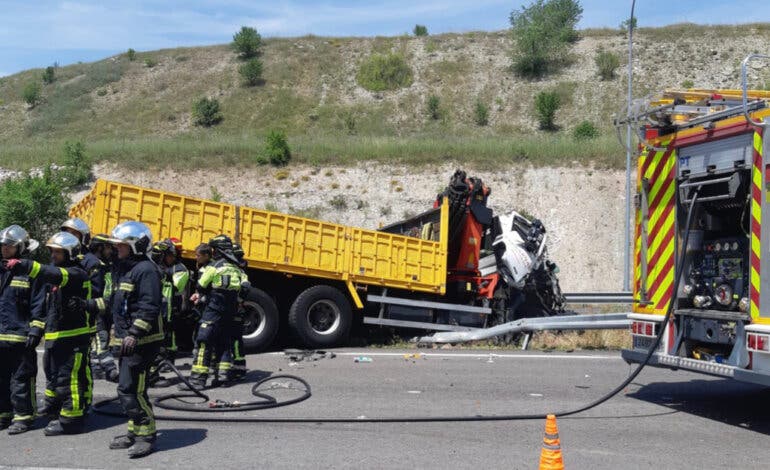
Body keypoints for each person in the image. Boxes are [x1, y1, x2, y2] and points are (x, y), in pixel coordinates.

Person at [8, 232, 94, 435]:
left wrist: (26, 265)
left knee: (69, 379)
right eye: (52, 251)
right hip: (56, 336)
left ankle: (71, 420)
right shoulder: (60, 272)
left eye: (58, 252)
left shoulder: (75, 273)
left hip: (73, 336)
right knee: (53, 379)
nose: (53, 256)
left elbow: (53, 274)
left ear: (70, 253)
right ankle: (56, 410)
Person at [105, 221, 163, 458]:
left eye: (121, 246)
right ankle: (134, 430)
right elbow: (116, 304)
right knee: (130, 389)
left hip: (142, 341)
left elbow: (149, 306)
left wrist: (134, 334)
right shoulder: (127, 269)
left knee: (130, 390)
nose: (117, 249)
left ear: (136, 246)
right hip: (128, 341)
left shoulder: (145, 270)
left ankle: (146, 435)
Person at [0, 225, 45, 435]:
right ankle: (3, 414)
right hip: (1, 335)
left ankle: (24, 417)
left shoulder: (32, 271)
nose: (4, 250)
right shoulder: (1, 270)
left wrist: (36, 330)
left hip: (21, 335)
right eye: (3, 246)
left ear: (20, 247)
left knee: (22, 378)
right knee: (1, 378)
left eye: (8, 247)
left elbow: (39, 304)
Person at [188, 235, 244, 389]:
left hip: (213, 309)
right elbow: (243, 288)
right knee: (224, 341)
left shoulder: (214, 267)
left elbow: (201, 285)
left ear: (217, 250)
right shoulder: (236, 268)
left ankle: (197, 380)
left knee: (203, 340)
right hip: (229, 311)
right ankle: (223, 377)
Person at [148, 238, 189, 386]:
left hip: (165, 312)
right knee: (154, 343)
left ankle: (155, 371)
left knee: (161, 340)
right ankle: (152, 375)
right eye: (170, 255)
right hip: (157, 312)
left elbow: (178, 287)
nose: (173, 258)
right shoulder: (154, 270)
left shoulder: (172, 270)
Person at [88, 234, 119, 383]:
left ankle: (96, 369)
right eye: (108, 247)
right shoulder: (94, 264)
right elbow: (95, 290)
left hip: (106, 308)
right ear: (100, 247)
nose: (110, 250)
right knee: (101, 338)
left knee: (99, 340)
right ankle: (110, 368)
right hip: (97, 308)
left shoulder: (106, 264)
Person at [219, 243, 249, 382]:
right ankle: (238, 368)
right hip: (237, 309)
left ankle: (238, 369)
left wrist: (237, 301)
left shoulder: (238, 271)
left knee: (234, 339)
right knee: (235, 339)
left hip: (235, 310)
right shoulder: (240, 269)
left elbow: (245, 288)